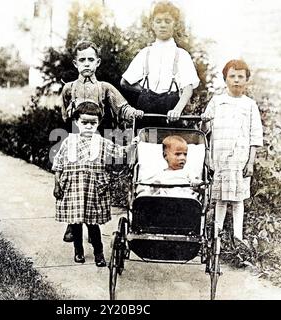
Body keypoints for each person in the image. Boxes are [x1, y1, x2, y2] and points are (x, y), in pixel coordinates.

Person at [61, 40, 144, 242]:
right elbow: (64, 116)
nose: (87, 64)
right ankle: (73, 225)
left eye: (91, 59)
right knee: (74, 185)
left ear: (98, 62)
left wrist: (133, 113)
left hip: (97, 142)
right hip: (75, 142)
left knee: (96, 186)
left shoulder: (104, 87)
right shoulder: (69, 89)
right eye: (82, 60)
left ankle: (93, 226)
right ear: (75, 64)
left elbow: (122, 107)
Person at [52, 101, 138, 267]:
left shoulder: (101, 142)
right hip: (73, 189)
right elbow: (58, 164)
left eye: (93, 123)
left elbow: (119, 153)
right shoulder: (68, 142)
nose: (89, 126)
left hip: (93, 190)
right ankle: (78, 251)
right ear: (76, 122)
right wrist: (57, 184)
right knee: (76, 224)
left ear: (98, 123)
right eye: (84, 123)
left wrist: (131, 146)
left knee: (93, 224)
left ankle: (98, 253)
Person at [201, 59, 263, 244]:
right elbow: (204, 131)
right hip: (219, 157)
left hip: (240, 159)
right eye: (232, 76)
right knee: (220, 198)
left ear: (246, 80)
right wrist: (204, 121)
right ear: (225, 79)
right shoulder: (217, 101)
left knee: (238, 199)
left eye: (240, 77)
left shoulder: (250, 105)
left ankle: (238, 238)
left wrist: (250, 162)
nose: (236, 80)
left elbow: (255, 135)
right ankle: (217, 236)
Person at [120, 1, 199, 121]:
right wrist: (145, 91)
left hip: (170, 113)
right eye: (158, 21)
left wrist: (177, 110)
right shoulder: (145, 53)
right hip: (146, 113)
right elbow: (124, 82)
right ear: (152, 25)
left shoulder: (182, 55)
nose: (163, 25)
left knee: (169, 140)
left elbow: (188, 89)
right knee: (145, 139)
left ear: (175, 25)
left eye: (167, 21)